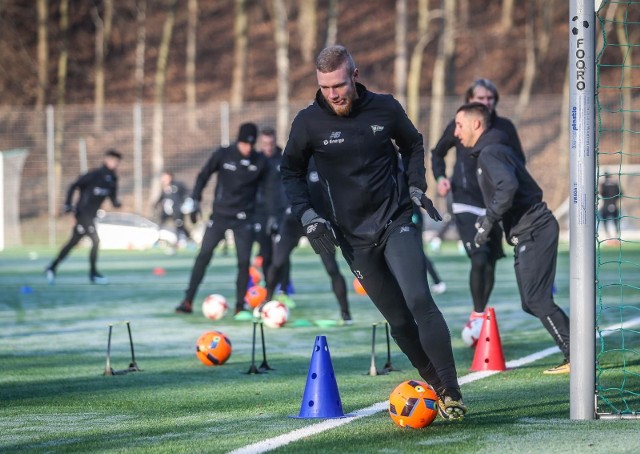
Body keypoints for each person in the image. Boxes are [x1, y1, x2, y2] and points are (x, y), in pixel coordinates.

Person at [280, 45, 466, 420]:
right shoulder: (308, 122)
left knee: (418, 300)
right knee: (398, 320)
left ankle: (451, 391)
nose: (333, 94)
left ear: (354, 74)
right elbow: (290, 172)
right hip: (352, 238)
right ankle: (434, 385)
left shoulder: (386, 107)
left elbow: (413, 144)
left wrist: (416, 186)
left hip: (395, 220)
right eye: (325, 87)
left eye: (338, 85)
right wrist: (308, 216)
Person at [453, 102, 570, 375]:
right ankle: (579, 346)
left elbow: (508, 186)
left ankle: (577, 353)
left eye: (459, 125)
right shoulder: (492, 150)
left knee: (538, 300)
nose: (456, 133)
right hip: (526, 232)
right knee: (530, 303)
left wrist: (488, 221)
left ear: (476, 124)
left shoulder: (490, 152)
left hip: (535, 230)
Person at [431, 78, 525, 326]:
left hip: (494, 203)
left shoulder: (504, 128)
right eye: (480, 98)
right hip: (465, 200)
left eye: (490, 98)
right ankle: (477, 312)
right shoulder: (459, 125)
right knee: (479, 257)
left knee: (492, 260)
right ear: (469, 102)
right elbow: (437, 152)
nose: (486, 102)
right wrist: (440, 177)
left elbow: (519, 161)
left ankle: (482, 310)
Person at [175, 122, 272, 315]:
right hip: (220, 215)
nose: (247, 148)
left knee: (244, 262)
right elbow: (203, 176)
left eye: (251, 145)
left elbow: (270, 191)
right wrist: (195, 199)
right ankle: (187, 300)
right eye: (244, 144)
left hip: (244, 219)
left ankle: (239, 306)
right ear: (238, 141)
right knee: (204, 255)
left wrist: (266, 216)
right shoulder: (223, 154)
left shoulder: (260, 161)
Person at [264, 158, 353, 324]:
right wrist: (275, 216)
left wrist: (333, 220)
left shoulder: (319, 162)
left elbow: (333, 192)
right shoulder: (289, 162)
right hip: (292, 222)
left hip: (317, 223)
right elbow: (276, 192)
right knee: (277, 263)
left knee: (332, 268)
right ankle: (266, 302)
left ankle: (345, 312)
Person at [45, 149, 123, 285]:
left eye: (117, 162)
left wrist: (117, 203)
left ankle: (51, 268)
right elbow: (73, 186)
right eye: (113, 161)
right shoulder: (94, 175)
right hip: (82, 213)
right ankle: (93, 274)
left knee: (73, 242)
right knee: (96, 241)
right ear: (106, 160)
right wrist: (68, 204)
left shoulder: (113, 179)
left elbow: (112, 198)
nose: (115, 164)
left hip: (91, 216)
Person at [252, 127, 289, 281]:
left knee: (282, 254)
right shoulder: (255, 161)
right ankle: (269, 287)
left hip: (280, 213)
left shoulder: (283, 159)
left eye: (271, 143)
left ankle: (285, 289)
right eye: (265, 143)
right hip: (261, 213)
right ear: (261, 143)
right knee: (265, 254)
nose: (268, 147)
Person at [154, 170, 191, 247]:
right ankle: (159, 240)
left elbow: (187, 193)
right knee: (160, 224)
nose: (163, 179)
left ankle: (184, 239)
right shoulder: (165, 187)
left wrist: (185, 203)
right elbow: (162, 197)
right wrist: (155, 204)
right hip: (166, 210)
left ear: (170, 177)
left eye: (165, 177)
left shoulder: (178, 185)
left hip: (177, 210)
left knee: (179, 225)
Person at [599, 172, 622, 238]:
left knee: (605, 222)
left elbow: (601, 193)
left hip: (605, 206)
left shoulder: (603, 184)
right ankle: (616, 236)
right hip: (614, 205)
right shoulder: (615, 184)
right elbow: (621, 193)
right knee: (616, 222)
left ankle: (608, 236)